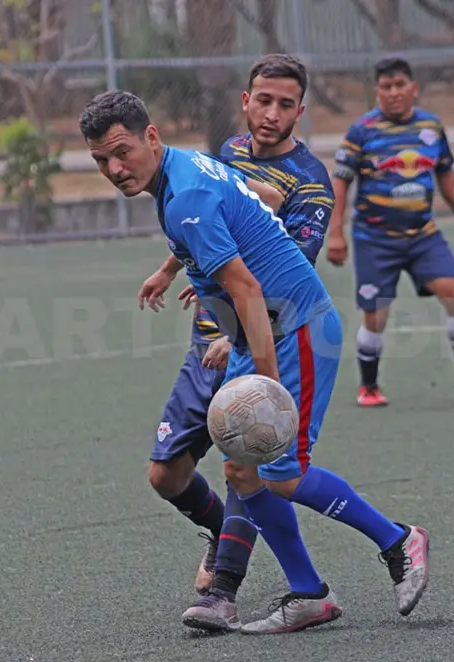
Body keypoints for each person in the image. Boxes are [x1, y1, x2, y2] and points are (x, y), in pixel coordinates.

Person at [81, 90, 430, 635]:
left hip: (299, 330)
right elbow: (257, 197)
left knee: (284, 474)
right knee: (242, 470)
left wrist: (266, 383)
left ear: (151, 136)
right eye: (102, 160)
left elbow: (243, 285)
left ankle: (398, 540)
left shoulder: (185, 193)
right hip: (265, 333)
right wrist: (179, 271)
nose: (115, 168)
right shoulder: (185, 169)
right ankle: (310, 594)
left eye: (121, 152)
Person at [135, 54, 336, 631]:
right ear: (245, 100)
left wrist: (241, 341)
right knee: (165, 475)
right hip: (209, 343)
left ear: (301, 109)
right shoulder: (227, 155)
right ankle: (222, 531)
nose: (271, 113)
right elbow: (204, 220)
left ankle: (223, 591)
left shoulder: (311, 182)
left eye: (285, 104)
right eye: (262, 100)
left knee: (243, 467)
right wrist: (170, 269)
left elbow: (290, 268)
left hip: (254, 341)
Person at [327, 57, 454, 408]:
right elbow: (340, 182)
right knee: (376, 316)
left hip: (423, 235)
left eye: (400, 86)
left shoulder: (431, 125)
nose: (394, 93)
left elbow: (445, 172)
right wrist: (336, 234)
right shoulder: (361, 131)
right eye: (386, 87)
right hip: (375, 238)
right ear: (377, 92)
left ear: (414, 88)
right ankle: (369, 385)